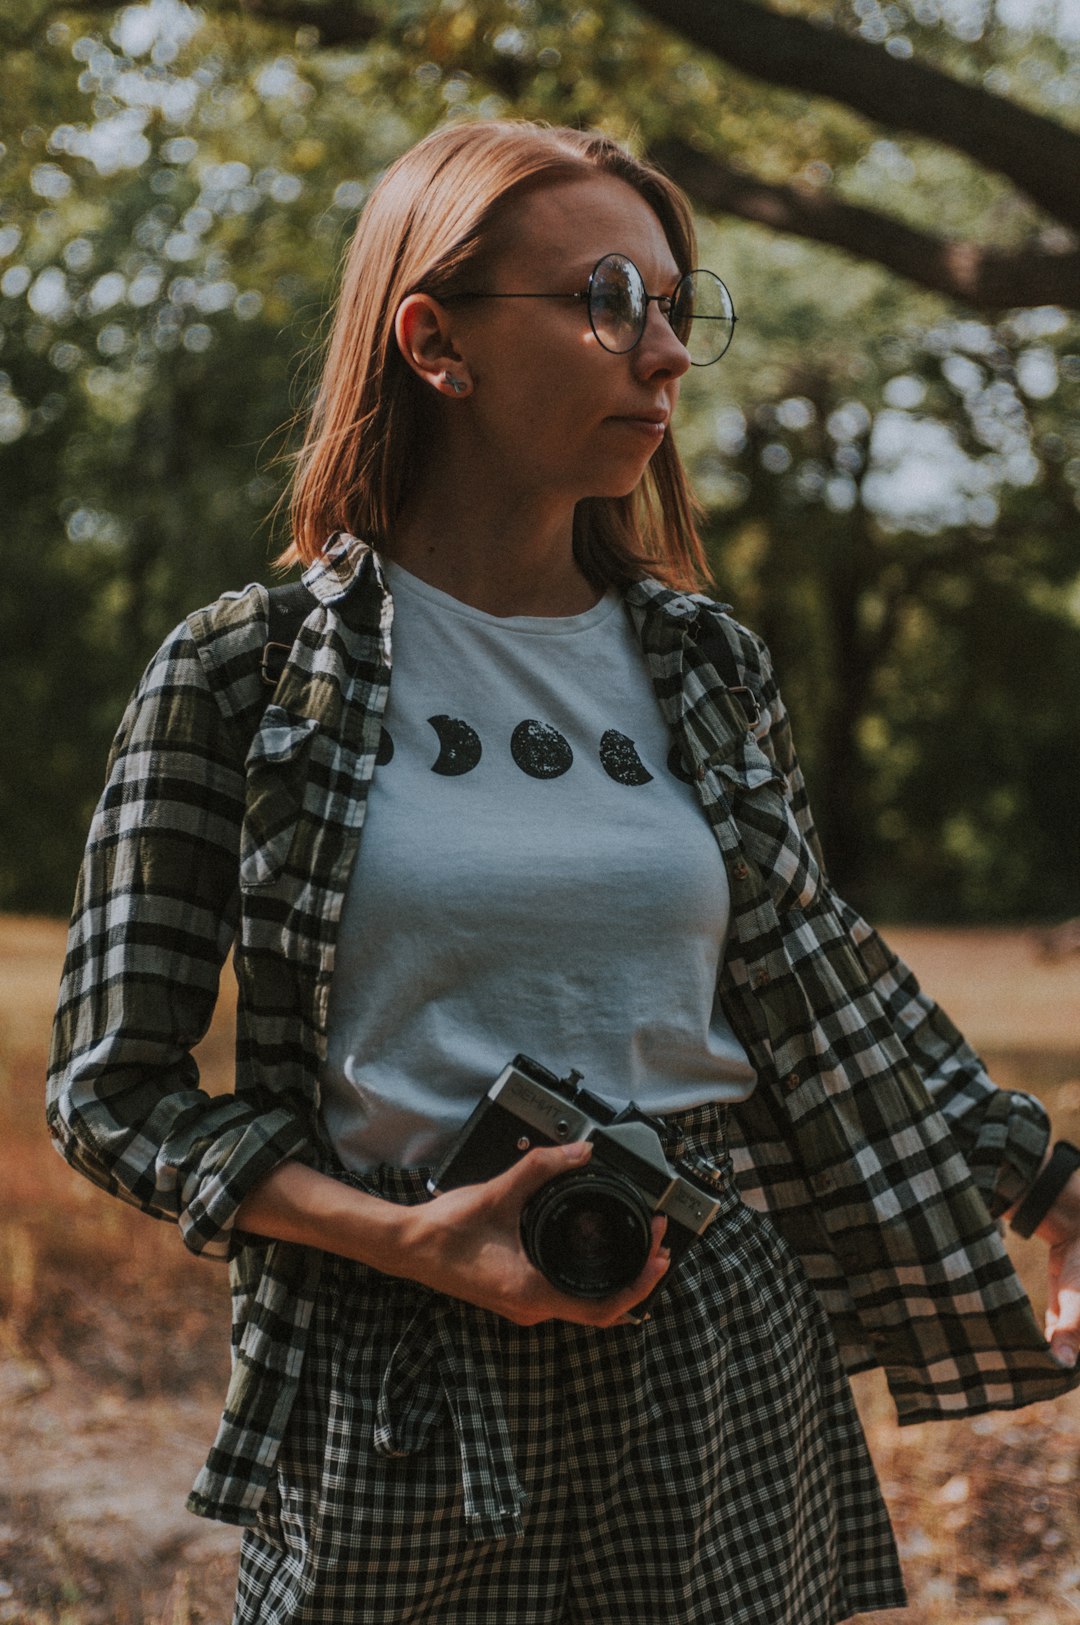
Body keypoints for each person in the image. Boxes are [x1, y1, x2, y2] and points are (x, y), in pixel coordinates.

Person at [47, 118, 1080, 1625]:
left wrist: (1048, 1180)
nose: (663, 353)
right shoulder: (248, 674)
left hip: (712, 1357)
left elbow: (826, 976)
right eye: (608, 301)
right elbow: (112, 1088)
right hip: (396, 1365)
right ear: (435, 341)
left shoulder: (704, 663)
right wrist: (405, 1235)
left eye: (676, 307)